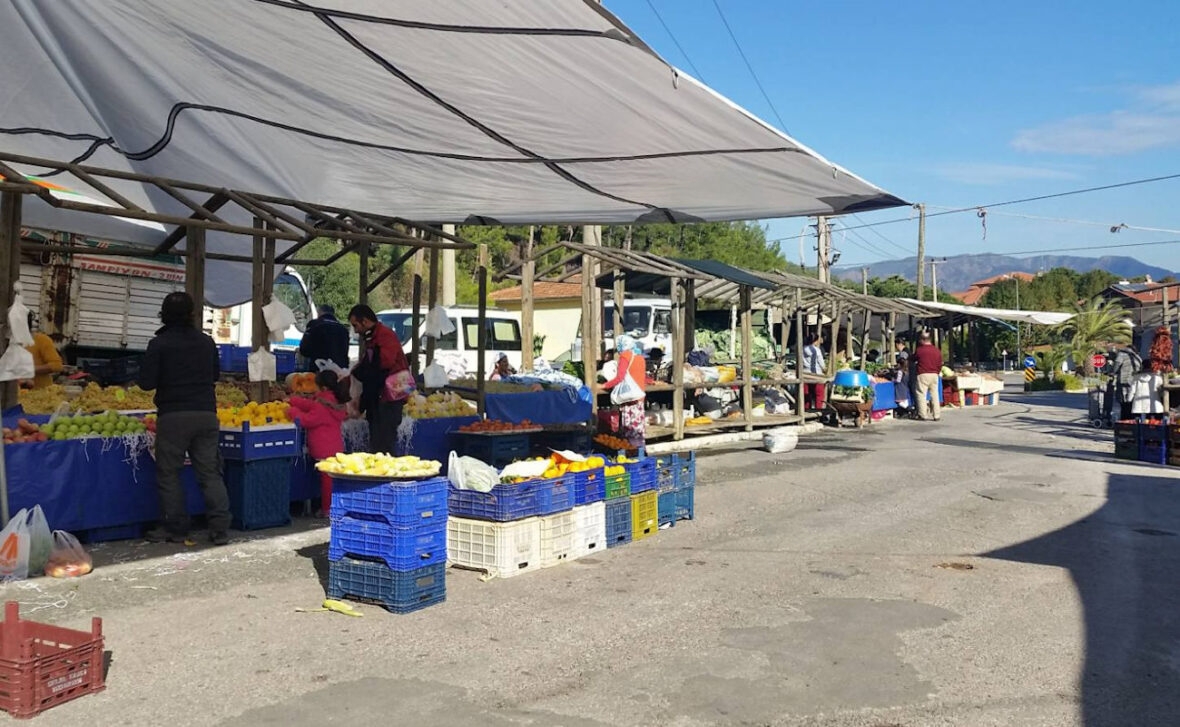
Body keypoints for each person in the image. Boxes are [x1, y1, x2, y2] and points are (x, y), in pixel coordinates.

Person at [138, 292, 231, 545]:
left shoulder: (159, 344)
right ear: (192, 314)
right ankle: (220, 528)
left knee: (169, 473)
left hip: (174, 416)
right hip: (205, 414)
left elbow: (146, 383)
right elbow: (214, 375)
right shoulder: (206, 342)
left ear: (163, 316)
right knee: (210, 473)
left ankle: (176, 528)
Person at [348, 304, 410, 455]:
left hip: (390, 397)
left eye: (356, 325)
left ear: (365, 321)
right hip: (379, 397)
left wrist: (363, 395)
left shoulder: (385, 336)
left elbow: (382, 366)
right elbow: (370, 366)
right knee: (376, 440)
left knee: (384, 442)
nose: (355, 330)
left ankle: (387, 476)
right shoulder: (372, 338)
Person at [288, 370, 348, 518]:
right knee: (332, 479)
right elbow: (310, 405)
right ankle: (334, 507)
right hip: (334, 445)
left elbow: (307, 420)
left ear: (323, 388)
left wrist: (292, 410)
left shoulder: (321, 404)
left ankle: (327, 509)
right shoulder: (333, 400)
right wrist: (295, 400)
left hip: (323, 447)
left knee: (327, 481)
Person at [600, 334, 647, 447]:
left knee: (630, 428)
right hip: (639, 396)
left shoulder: (625, 356)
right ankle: (640, 451)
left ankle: (631, 451)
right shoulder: (639, 357)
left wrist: (604, 386)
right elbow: (643, 377)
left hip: (629, 397)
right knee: (638, 427)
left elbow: (620, 377)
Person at [299, 304, 350, 371]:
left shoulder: (314, 324)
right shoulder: (343, 329)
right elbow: (345, 353)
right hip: (339, 372)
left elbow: (304, 349)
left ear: (320, 312)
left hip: (319, 370)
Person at [24, 312, 62, 389]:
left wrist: (30, 369)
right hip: (13, 394)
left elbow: (57, 365)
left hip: (40, 393)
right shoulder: (7, 342)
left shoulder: (42, 340)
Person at [914, 331, 944, 421]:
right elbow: (940, 364)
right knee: (934, 395)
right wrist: (937, 372)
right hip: (934, 374)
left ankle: (923, 415)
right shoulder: (937, 350)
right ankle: (936, 415)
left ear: (922, 340)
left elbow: (913, 358)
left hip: (923, 374)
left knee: (921, 394)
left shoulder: (920, 350)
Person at [1111, 343, 1143, 420]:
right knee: (1132, 401)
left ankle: (1125, 418)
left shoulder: (1121, 354)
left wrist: (1112, 372)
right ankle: (1132, 418)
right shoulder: (1138, 357)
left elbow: (1116, 366)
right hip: (1135, 381)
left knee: (1123, 401)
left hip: (1124, 381)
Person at [801, 333, 826, 411]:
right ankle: (818, 411)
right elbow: (821, 363)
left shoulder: (802, 349)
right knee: (819, 394)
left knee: (807, 393)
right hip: (816, 375)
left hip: (805, 373)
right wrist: (825, 369)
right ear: (815, 340)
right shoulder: (816, 350)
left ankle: (806, 410)